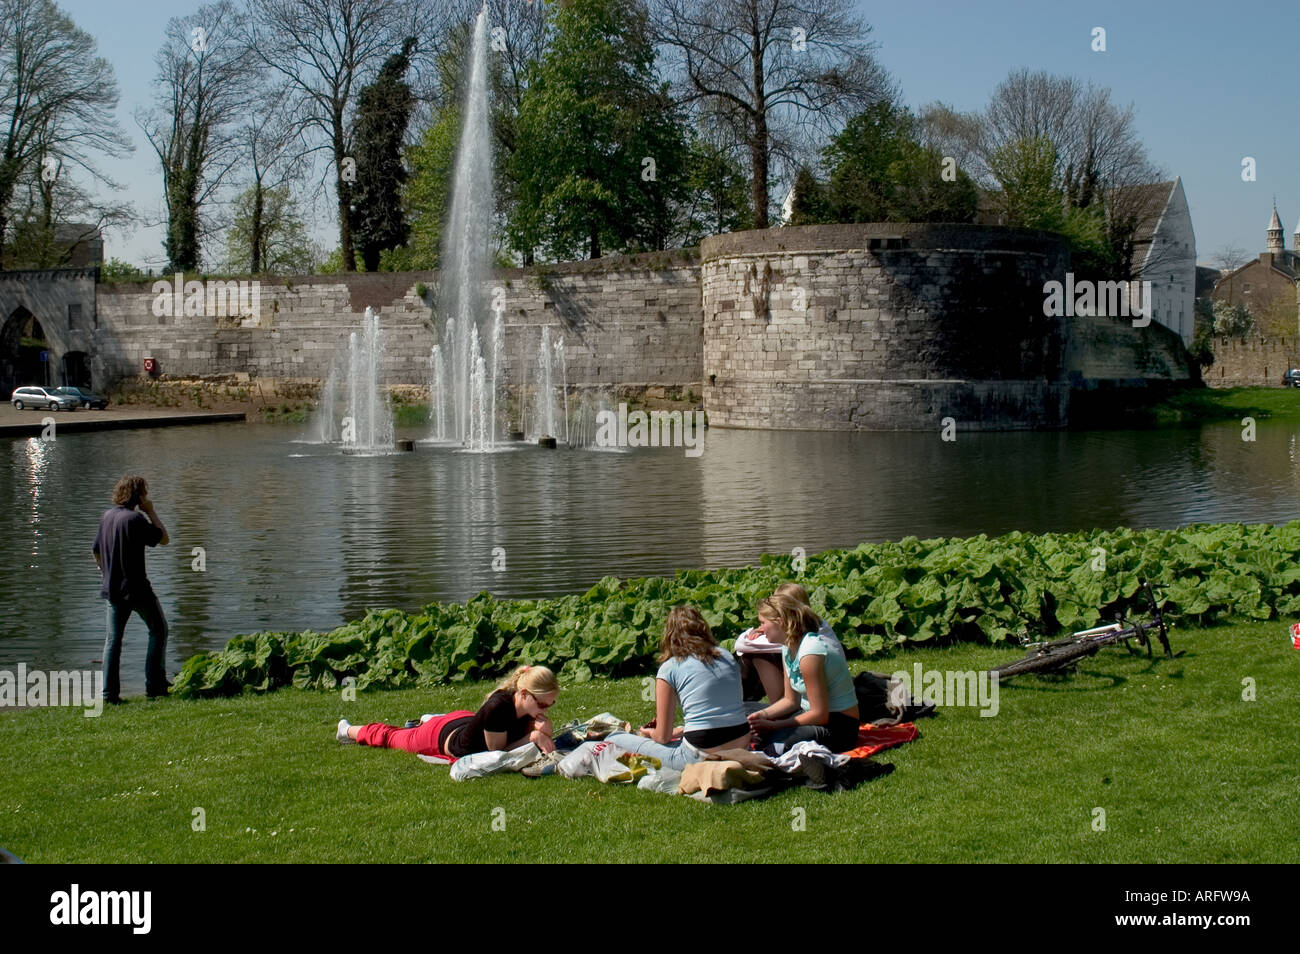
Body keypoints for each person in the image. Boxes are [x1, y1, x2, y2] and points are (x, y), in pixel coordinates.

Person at [605, 606, 750, 771]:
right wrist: (678, 731)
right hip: (741, 743)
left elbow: (662, 737)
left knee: (615, 738)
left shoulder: (670, 668)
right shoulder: (727, 656)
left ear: (670, 635)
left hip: (701, 753)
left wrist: (650, 734)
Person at [338, 665, 559, 760]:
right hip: (443, 737)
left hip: (463, 720)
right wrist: (534, 736)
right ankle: (347, 730)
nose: (545, 709)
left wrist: (542, 729)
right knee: (392, 737)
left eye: (550, 704)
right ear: (523, 694)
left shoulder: (529, 708)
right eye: (542, 704)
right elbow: (497, 752)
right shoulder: (498, 706)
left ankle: (429, 719)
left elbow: (543, 737)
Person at [746, 591, 861, 752]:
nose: (761, 628)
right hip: (812, 716)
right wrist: (763, 714)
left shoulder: (810, 652)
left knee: (773, 745)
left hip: (838, 726)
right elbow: (790, 700)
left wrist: (774, 725)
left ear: (779, 622)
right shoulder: (788, 647)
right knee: (745, 712)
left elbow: (820, 715)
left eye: (763, 622)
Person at [92, 475, 171, 703]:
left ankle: (109, 694)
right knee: (159, 630)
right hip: (137, 590)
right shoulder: (135, 519)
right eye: (144, 493)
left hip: (112, 591)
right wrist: (151, 511)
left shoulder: (106, 516)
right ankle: (155, 686)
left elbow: (95, 551)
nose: (147, 497)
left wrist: (104, 573)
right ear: (138, 495)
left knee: (113, 640)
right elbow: (164, 539)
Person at [735, 583, 844, 702]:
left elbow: (742, 644)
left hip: (823, 707)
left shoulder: (802, 641)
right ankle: (743, 701)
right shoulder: (817, 624)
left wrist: (756, 632)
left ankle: (738, 701)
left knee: (755, 654)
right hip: (821, 700)